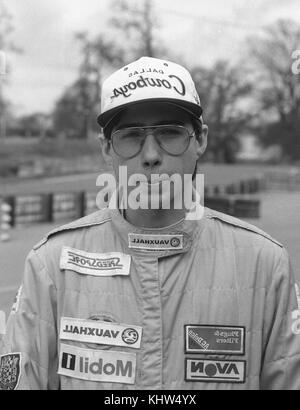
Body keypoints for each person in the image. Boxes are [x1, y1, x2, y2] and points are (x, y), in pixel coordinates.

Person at [1, 56, 300, 390]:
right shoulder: (50, 265)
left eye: (170, 133)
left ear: (200, 140)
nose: (151, 154)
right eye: (131, 136)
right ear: (106, 149)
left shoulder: (266, 263)